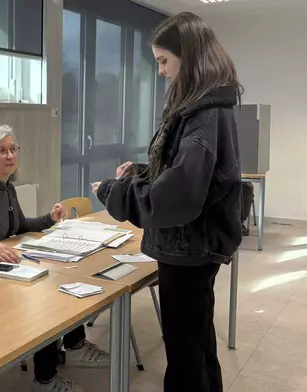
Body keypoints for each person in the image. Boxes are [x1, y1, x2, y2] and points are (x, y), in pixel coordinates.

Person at [91, 12, 243, 392]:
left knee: (185, 355)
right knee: (197, 341)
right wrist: (144, 171)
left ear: (188, 56)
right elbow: (186, 171)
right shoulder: (209, 107)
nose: (159, 71)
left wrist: (115, 191)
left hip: (187, 247)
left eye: (163, 61)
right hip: (195, 246)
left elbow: (178, 196)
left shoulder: (205, 114)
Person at [0, 125, 109, 392]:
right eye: (1, 151)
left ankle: (71, 346)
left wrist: (48, 219)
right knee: (44, 302)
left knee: (56, 289)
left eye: (13, 149)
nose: (10, 155)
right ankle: (46, 376)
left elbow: (19, 225)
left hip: (9, 268)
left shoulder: (6, 188)